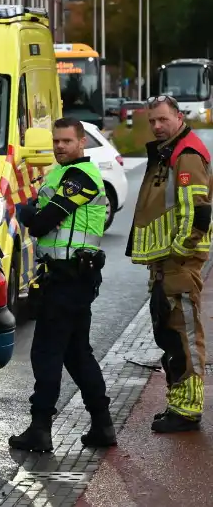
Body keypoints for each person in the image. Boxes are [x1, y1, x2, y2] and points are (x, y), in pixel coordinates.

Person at [8, 117, 115, 452]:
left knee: (47, 352)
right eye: (56, 141)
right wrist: (31, 210)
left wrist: (27, 214)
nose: (59, 146)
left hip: (71, 278)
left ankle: (41, 428)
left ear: (82, 142)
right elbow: (41, 212)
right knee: (76, 352)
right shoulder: (58, 174)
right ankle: (102, 424)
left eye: (67, 141)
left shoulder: (81, 177)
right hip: (65, 276)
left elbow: (40, 222)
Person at [128, 95, 210, 433]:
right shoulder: (168, 153)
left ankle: (188, 410)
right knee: (170, 337)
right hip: (167, 265)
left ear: (178, 117)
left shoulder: (185, 154)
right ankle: (178, 404)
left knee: (184, 337)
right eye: (153, 121)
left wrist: (178, 252)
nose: (158, 126)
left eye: (163, 119)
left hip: (179, 264)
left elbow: (198, 212)